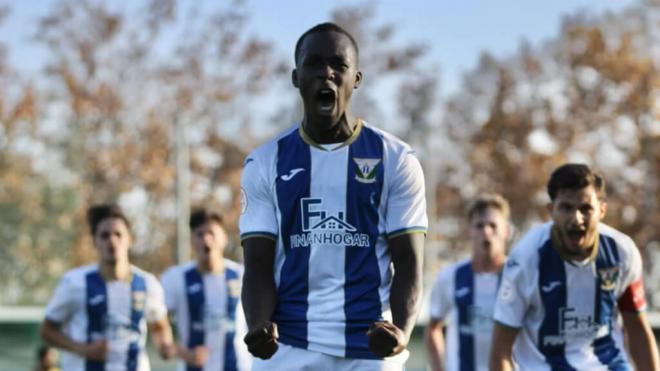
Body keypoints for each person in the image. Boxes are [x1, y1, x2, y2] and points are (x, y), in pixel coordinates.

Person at [239, 22, 427, 371]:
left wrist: (401, 330)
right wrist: (257, 324)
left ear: (356, 78)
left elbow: (409, 261)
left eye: (339, 65)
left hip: (370, 347)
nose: (326, 73)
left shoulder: (396, 159)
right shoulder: (264, 162)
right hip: (289, 344)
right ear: (296, 78)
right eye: (314, 64)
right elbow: (258, 264)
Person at [490, 163, 660, 370]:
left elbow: (638, 329)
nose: (576, 219)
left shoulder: (622, 253)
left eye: (585, 208)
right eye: (566, 208)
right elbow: (500, 347)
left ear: (602, 210)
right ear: (551, 210)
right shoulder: (526, 259)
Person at [40, 203, 175, 371]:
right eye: (105, 235)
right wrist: (83, 349)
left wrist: (165, 346)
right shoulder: (74, 283)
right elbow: (47, 330)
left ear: (130, 239)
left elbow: (160, 325)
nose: (112, 241)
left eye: (118, 234)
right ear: (94, 241)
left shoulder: (147, 283)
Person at [425, 193, 511, 371]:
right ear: (469, 231)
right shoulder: (451, 277)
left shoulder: (519, 276)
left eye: (493, 225)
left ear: (506, 231)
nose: (486, 231)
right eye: (480, 225)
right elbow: (433, 327)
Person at [160, 208, 251, 371]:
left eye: (211, 233)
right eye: (200, 234)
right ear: (192, 241)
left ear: (224, 238)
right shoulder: (175, 278)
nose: (206, 240)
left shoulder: (242, 275)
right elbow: (158, 326)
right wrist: (183, 352)